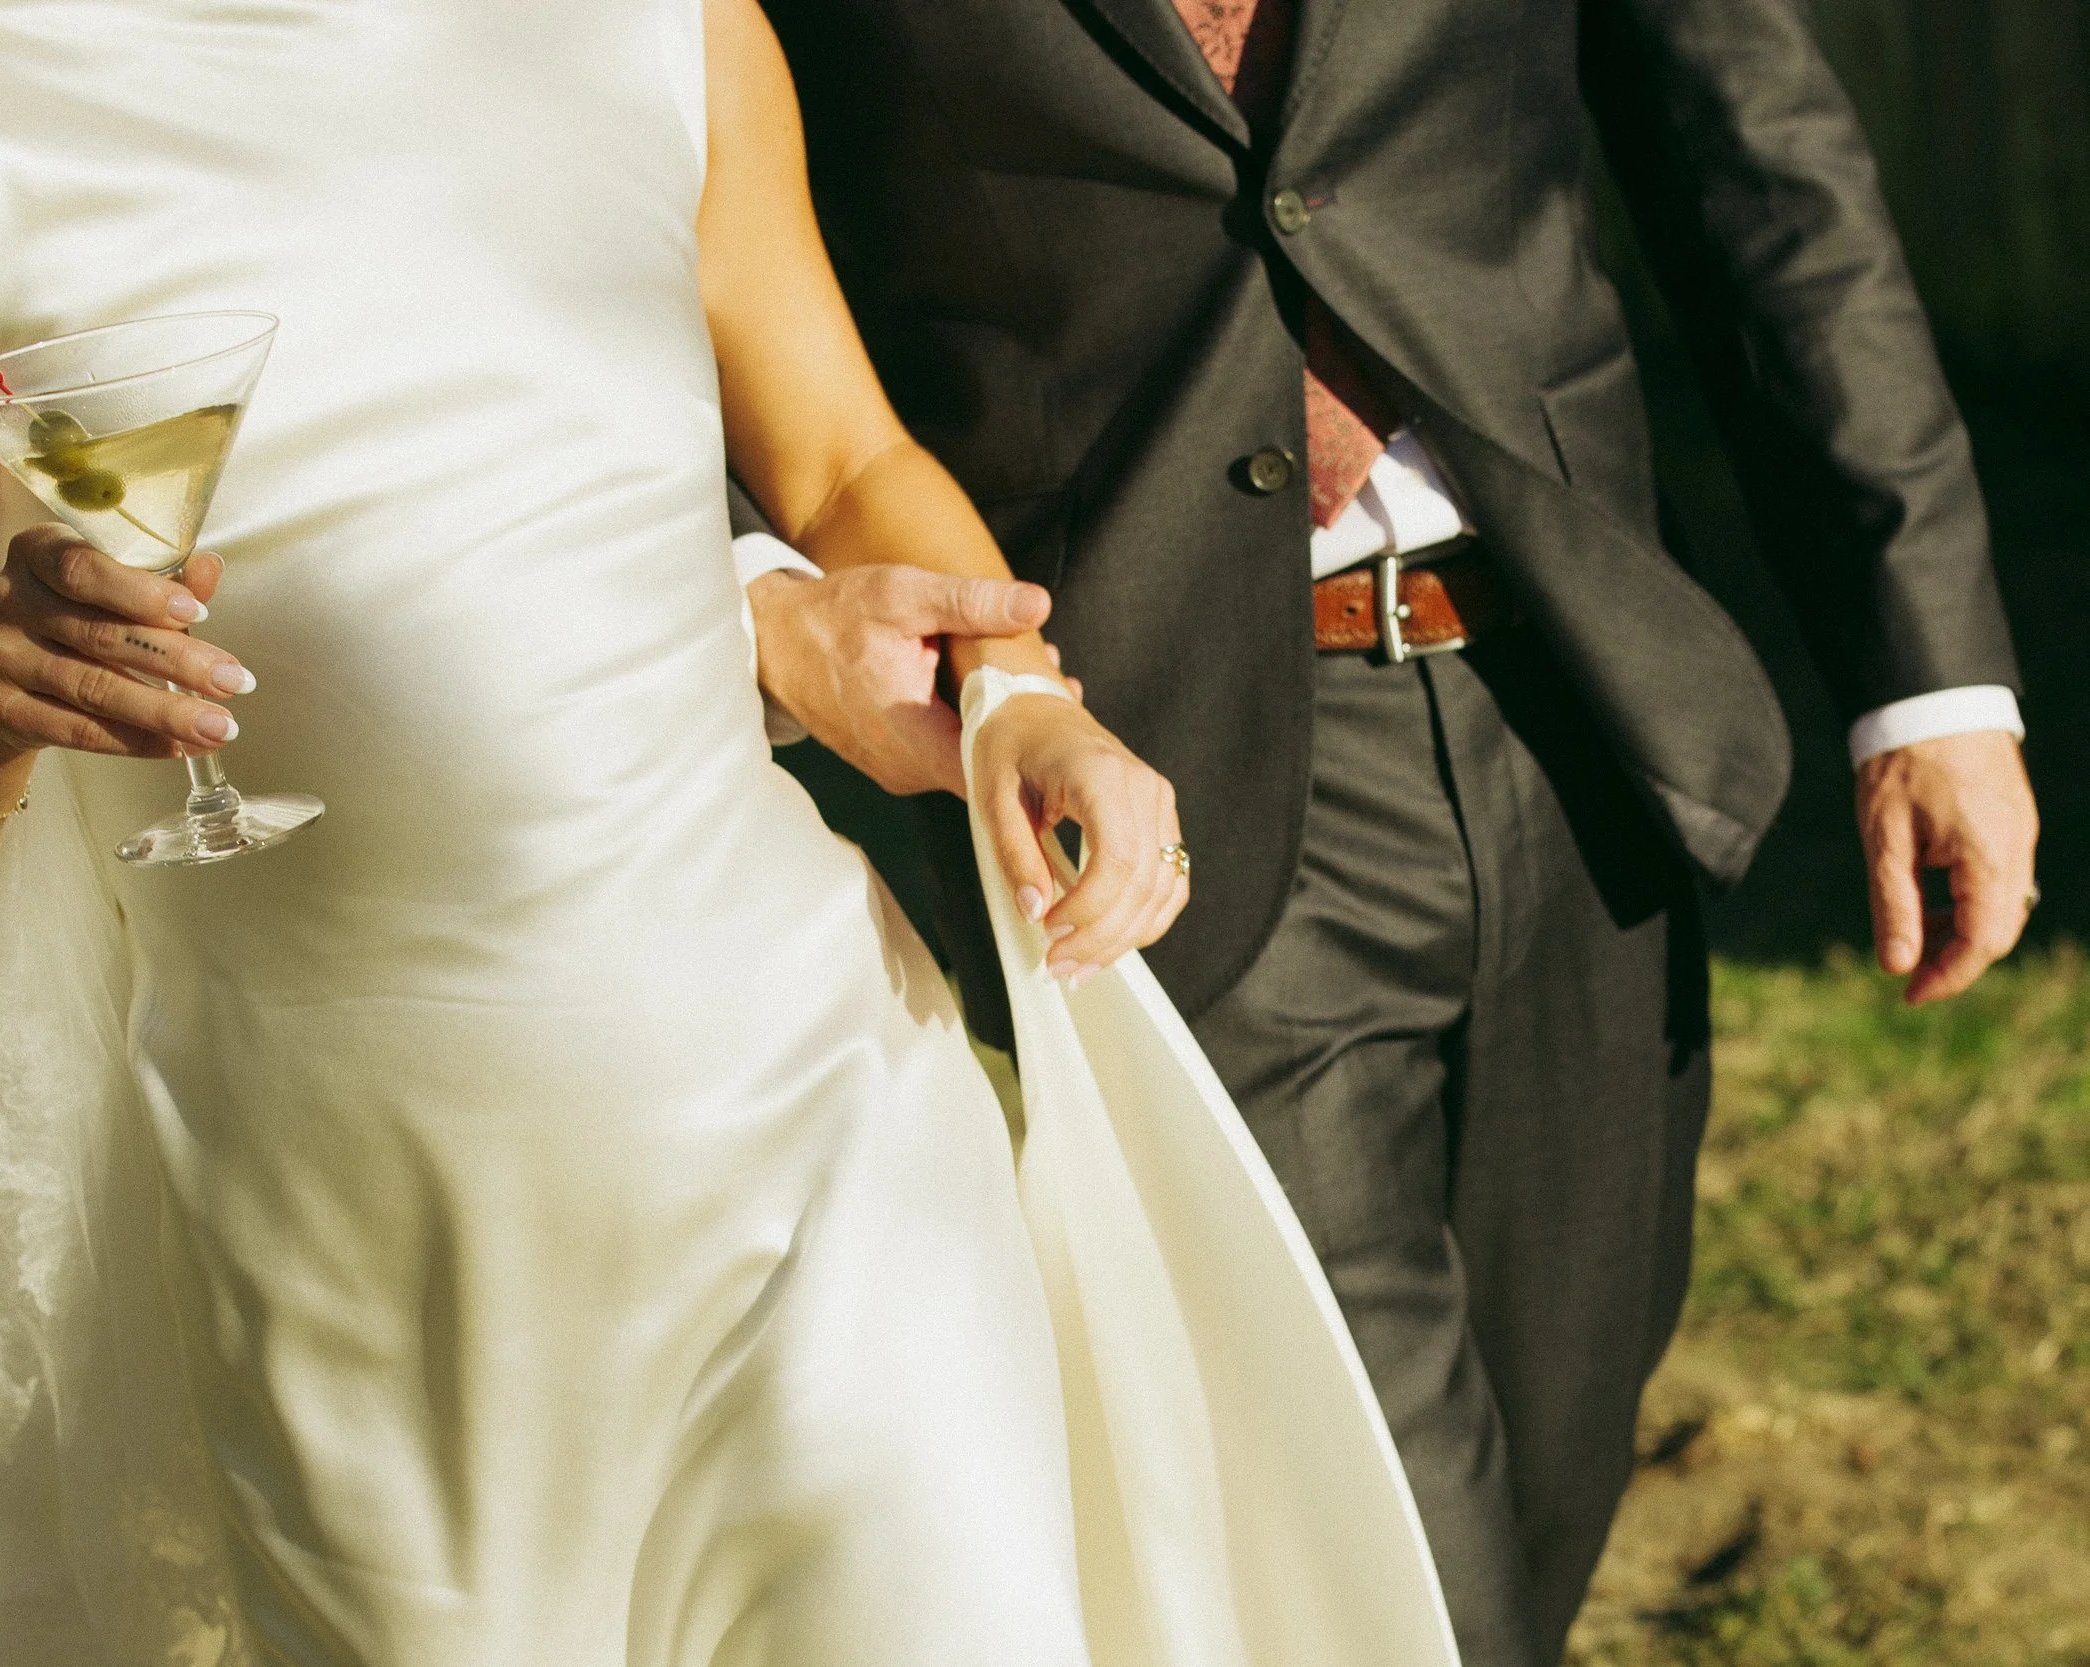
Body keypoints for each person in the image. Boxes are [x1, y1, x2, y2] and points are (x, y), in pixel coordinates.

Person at [0, 0, 1462, 1662]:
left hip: (818, 1105)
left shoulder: (662, 22)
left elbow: (842, 464)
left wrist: (1020, 688)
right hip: (349, 1242)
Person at [730, 2, 2042, 1664]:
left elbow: (1757, 152)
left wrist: (1929, 685)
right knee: (1401, 1575)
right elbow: (652, 204)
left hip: (1578, 704)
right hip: (1153, 759)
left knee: (1554, 1464)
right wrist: (765, 596)